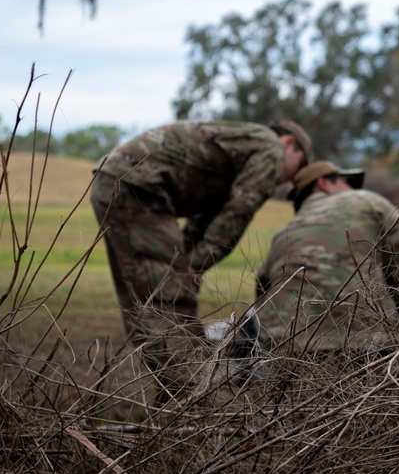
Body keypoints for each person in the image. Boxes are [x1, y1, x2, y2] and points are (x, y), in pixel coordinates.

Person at [90, 119, 312, 389]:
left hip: (116, 182)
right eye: (296, 168)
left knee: (142, 300)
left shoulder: (239, 148)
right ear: (289, 143)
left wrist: (189, 263)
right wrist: (193, 267)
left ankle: (174, 398)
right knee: (170, 298)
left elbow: (207, 217)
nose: (286, 179)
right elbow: (238, 211)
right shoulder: (269, 147)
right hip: (139, 189)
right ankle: (193, 397)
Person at [249, 160, 399, 355]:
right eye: (347, 182)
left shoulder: (283, 234)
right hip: (365, 344)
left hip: (284, 348)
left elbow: (261, 291)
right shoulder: (367, 200)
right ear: (323, 183)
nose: (352, 189)